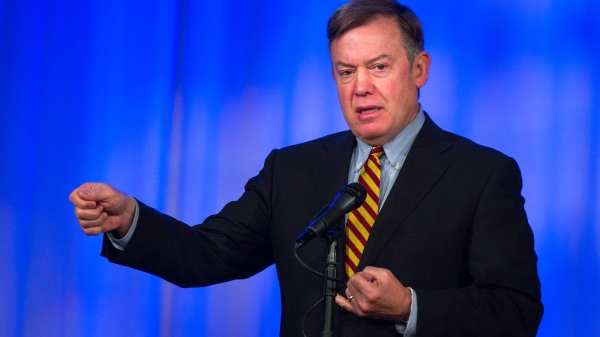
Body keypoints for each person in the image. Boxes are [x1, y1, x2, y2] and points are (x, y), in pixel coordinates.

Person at [69, 0, 543, 336]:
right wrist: (131, 221)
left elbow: (516, 312)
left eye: (378, 67)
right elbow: (206, 254)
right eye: (345, 71)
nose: (360, 87)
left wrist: (409, 307)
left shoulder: (481, 175)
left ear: (419, 70)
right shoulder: (291, 169)